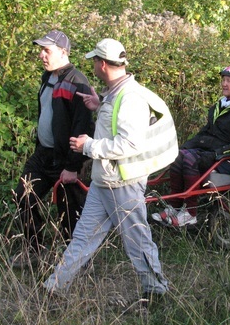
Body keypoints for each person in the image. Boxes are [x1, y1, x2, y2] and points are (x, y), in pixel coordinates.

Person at [43, 38, 169, 306]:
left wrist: (87, 145)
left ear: (102, 64)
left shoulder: (130, 98)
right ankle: (53, 288)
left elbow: (130, 143)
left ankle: (156, 292)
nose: (93, 66)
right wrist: (98, 106)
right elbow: (117, 125)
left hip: (123, 183)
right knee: (83, 237)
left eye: (94, 62)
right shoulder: (114, 93)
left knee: (137, 240)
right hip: (104, 182)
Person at [11, 30, 95, 268]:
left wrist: (72, 166)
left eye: (46, 50)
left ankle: (77, 263)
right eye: (41, 50)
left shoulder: (77, 81)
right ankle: (33, 252)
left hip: (65, 159)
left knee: (68, 212)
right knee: (22, 195)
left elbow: (84, 126)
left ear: (62, 52)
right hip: (43, 154)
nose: (41, 55)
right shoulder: (47, 77)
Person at [151, 65, 230, 227]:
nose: (224, 84)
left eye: (229, 81)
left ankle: (190, 213)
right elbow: (207, 131)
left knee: (189, 159)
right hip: (212, 152)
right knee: (178, 155)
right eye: (223, 80)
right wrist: (185, 146)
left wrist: (217, 154)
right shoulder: (223, 104)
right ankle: (174, 206)